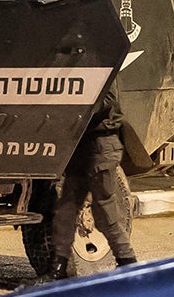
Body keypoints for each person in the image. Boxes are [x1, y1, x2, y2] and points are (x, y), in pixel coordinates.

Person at [47, 81, 138, 280]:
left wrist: (77, 101)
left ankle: (129, 267)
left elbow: (107, 102)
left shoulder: (104, 66)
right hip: (80, 146)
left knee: (105, 213)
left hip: (101, 144)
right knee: (65, 211)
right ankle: (57, 271)